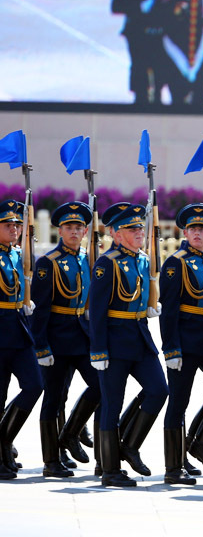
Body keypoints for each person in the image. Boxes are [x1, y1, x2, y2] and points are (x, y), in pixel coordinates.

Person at [89, 203, 168, 487]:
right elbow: (97, 310)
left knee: (159, 390)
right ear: (117, 233)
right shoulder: (106, 263)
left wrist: (150, 307)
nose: (139, 233)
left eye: (140, 228)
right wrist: (98, 350)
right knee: (112, 404)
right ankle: (109, 469)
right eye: (132, 229)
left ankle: (130, 445)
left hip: (140, 337)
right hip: (114, 341)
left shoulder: (143, 260)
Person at [31, 202, 100, 478]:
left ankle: (71, 432)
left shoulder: (88, 258)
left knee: (100, 386)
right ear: (60, 231)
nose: (74, 231)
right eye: (69, 227)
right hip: (57, 338)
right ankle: (52, 460)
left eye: (78, 227)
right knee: (54, 397)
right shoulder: (48, 263)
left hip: (82, 336)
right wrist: (41, 346)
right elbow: (40, 309)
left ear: (85, 231)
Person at [158, 204, 203, 485]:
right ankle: (174, 466)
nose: (198, 233)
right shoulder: (176, 263)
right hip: (184, 343)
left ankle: (199, 443)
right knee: (178, 401)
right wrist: (171, 348)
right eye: (193, 228)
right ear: (185, 232)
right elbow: (169, 310)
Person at [0, 200, 43, 480]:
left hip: (19, 330)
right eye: (7, 225)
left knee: (34, 385)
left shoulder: (19, 255)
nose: (14, 229)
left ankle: (4, 439)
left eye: (17, 224)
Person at [110, 0, 165, 104]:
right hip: (138, 33)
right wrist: (139, 7)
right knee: (140, 74)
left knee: (161, 77)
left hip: (163, 33)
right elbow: (116, 5)